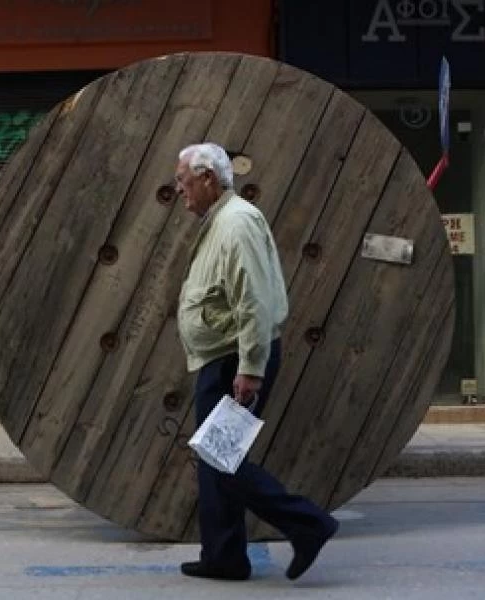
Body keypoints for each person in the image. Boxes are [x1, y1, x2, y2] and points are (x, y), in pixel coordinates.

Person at [173, 142, 338, 582]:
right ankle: (224, 557)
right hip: (222, 357)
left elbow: (253, 301)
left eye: (184, 181)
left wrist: (250, 367)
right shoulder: (221, 221)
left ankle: (307, 524)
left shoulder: (238, 222)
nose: (180, 190)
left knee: (219, 458)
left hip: (234, 360)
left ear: (208, 177)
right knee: (216, 460)